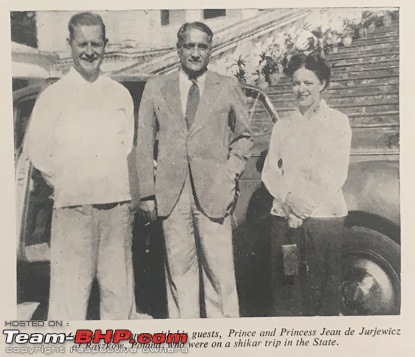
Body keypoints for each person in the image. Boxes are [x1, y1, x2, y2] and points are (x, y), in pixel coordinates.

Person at [136, 22, 253, 318]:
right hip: (172, 197)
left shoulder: (226, 86)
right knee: (179, 277)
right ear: (178, 49)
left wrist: (230, 173)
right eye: (189, 46)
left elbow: (244, 137)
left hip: (214, 193)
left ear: (211, 51)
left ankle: (225, 343)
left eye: (202, 46)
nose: (195, 53)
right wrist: (148, 193)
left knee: (220, 276)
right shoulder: (155, 88)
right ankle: (186, 341)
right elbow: (144, 142)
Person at [24, 12, 136, 320]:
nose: (89, 51)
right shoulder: (53, 96)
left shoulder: (120, 94)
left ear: (105, 45)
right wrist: (72, 184)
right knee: (69, 302)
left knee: (119, 300)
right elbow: (40, 154)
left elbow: (126, 146)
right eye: (82, 44)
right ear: (70, 44)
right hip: (73, 211)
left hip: (116, 210)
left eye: (96, 44)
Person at [262, 53, 352, 316]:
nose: (301, 89)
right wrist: (289, 200)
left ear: (322, 84)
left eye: (308, 83)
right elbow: (270, 171)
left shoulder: (337, 122)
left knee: (321, 294)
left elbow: (337, 172)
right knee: (289, 291)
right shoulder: (283, 125)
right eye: (295, 83)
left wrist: (304, 209)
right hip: (286, 222)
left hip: (322, 221)